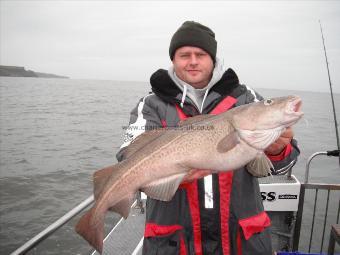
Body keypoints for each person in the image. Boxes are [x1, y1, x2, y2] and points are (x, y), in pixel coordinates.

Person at [116, 21, 300, 255]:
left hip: (241, 241)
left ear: (213, 58)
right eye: (184, 55)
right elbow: (127, 155)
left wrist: (276, 150)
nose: (193, 61)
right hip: (174, 243)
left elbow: (283, 164)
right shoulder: (151, 104)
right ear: (173, 60)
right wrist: (175, 174)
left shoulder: (247, 98)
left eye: (200, 54)